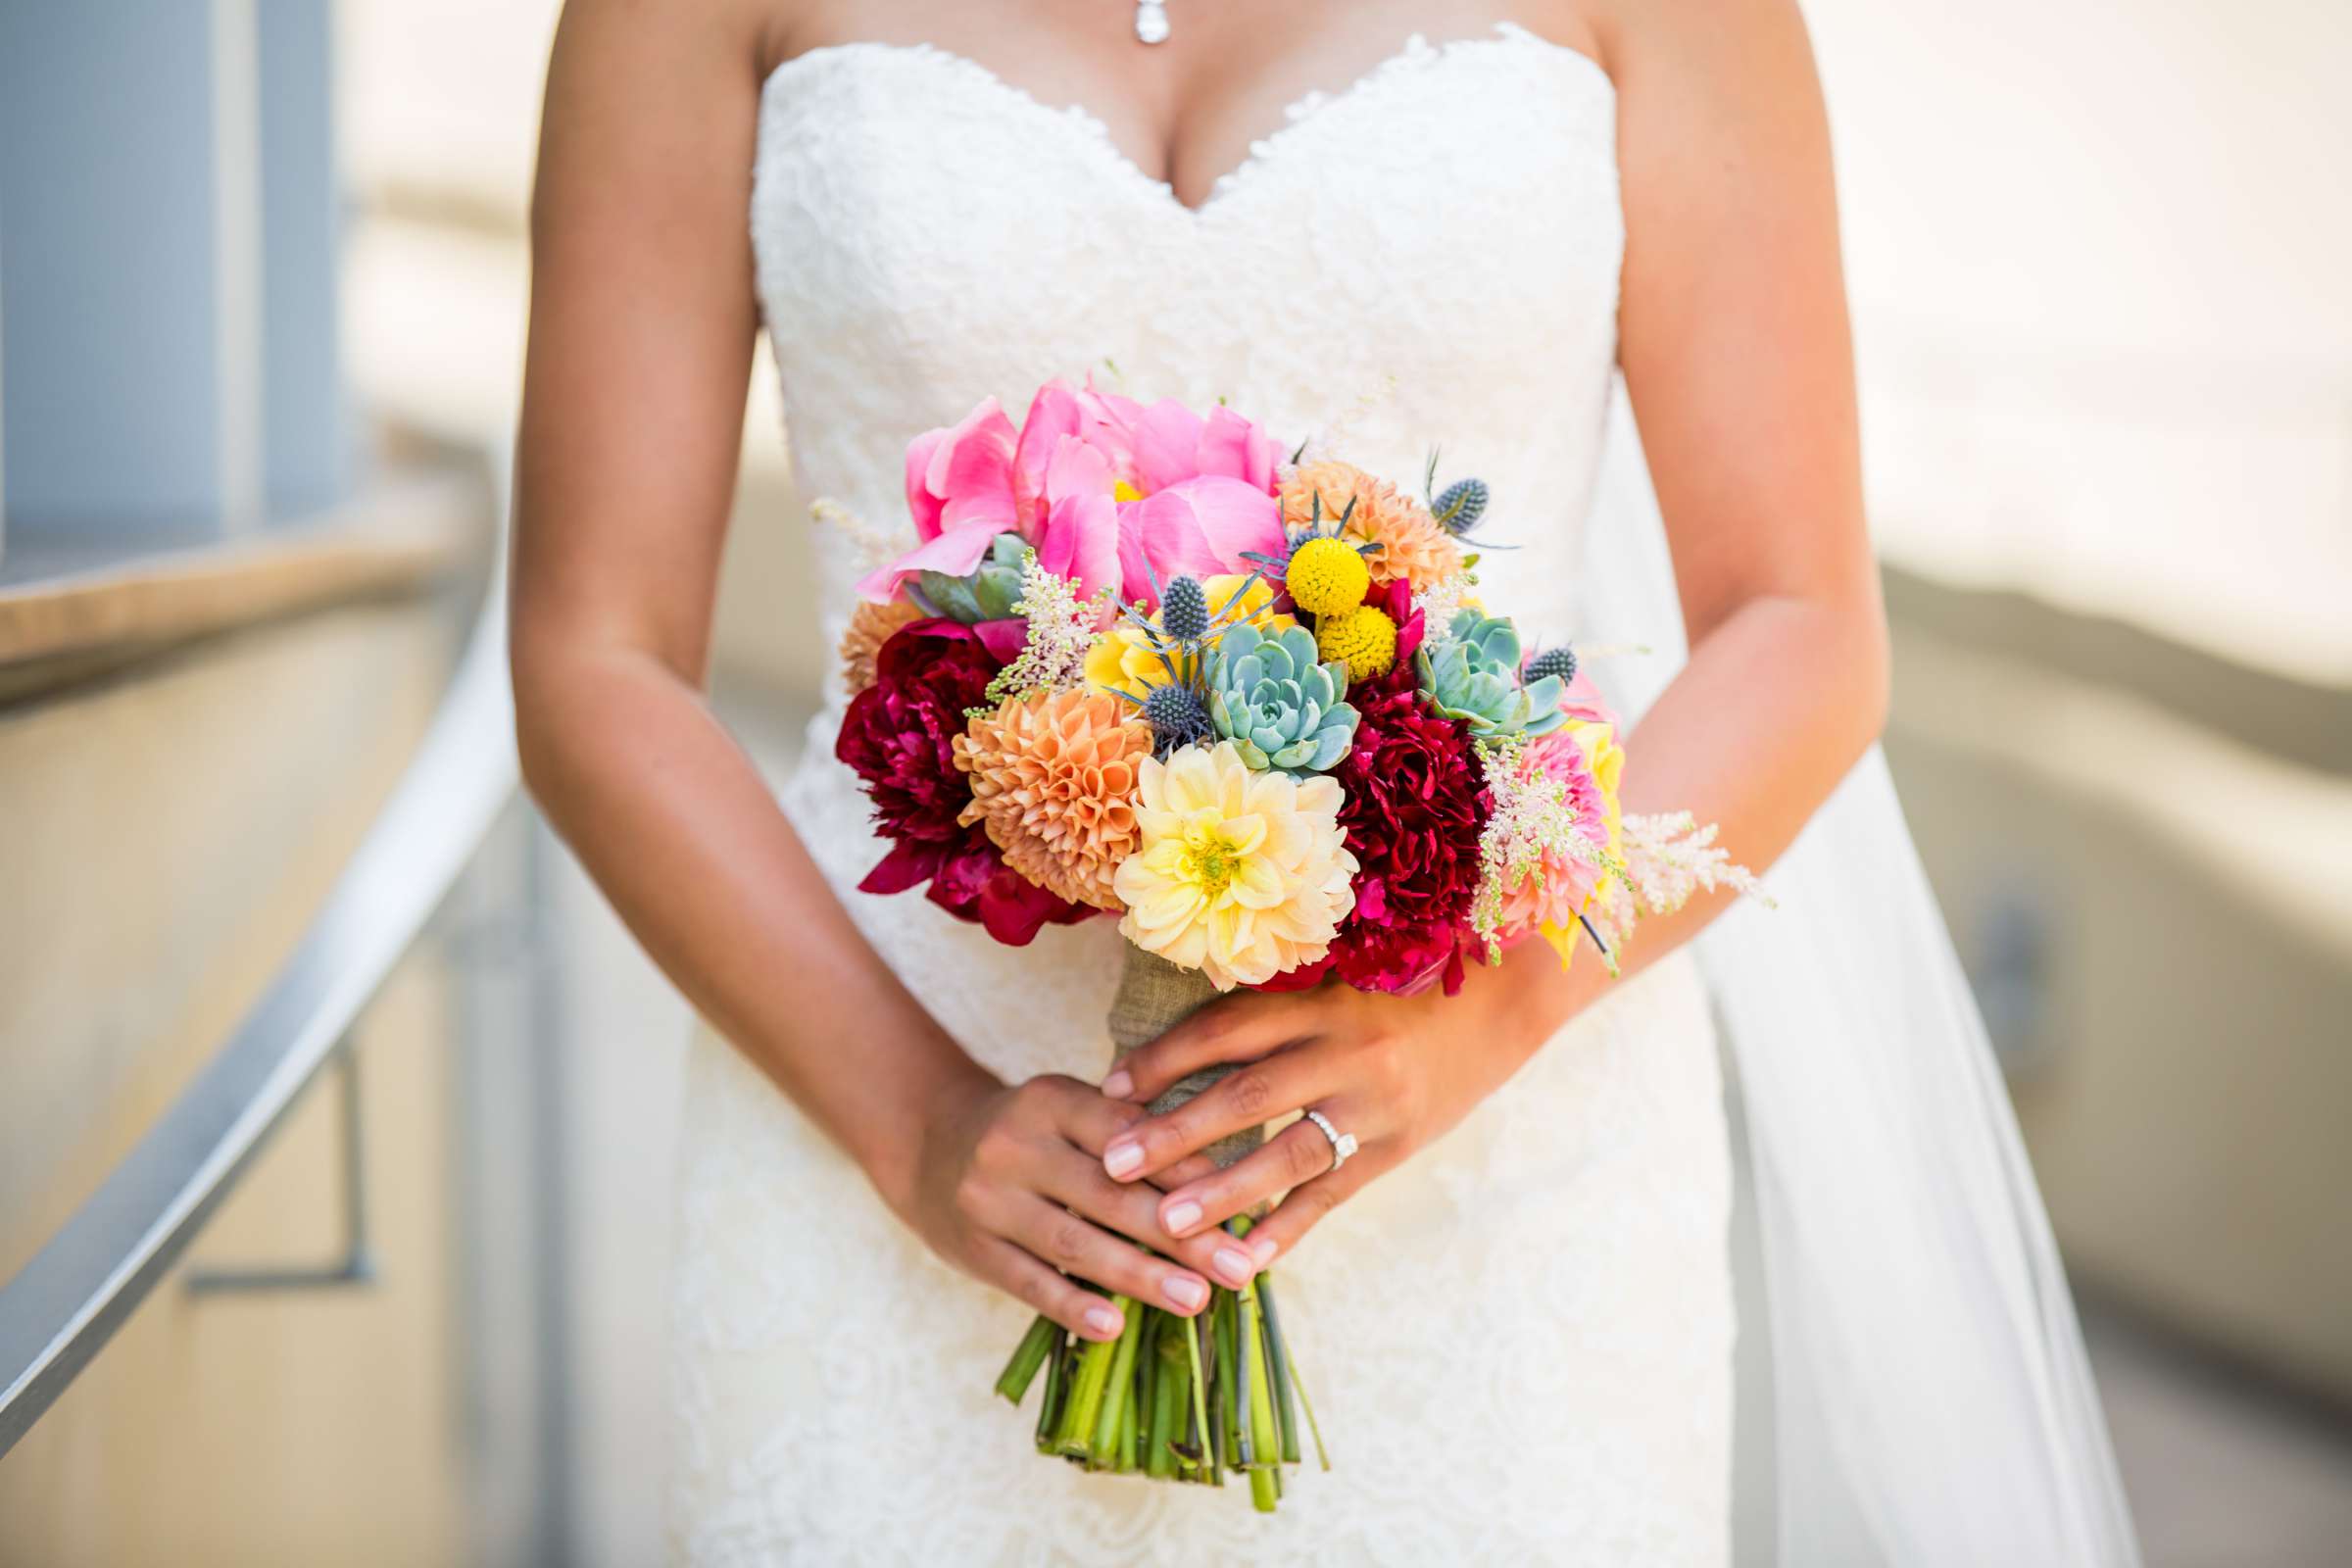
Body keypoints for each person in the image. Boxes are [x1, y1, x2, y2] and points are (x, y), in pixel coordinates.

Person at [510, 1, 2140, 1560]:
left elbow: (1799, 623)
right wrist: (919, 1122)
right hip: (886, 1128)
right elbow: (593, 652)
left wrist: (1490, 1012)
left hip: (1501, 1150)